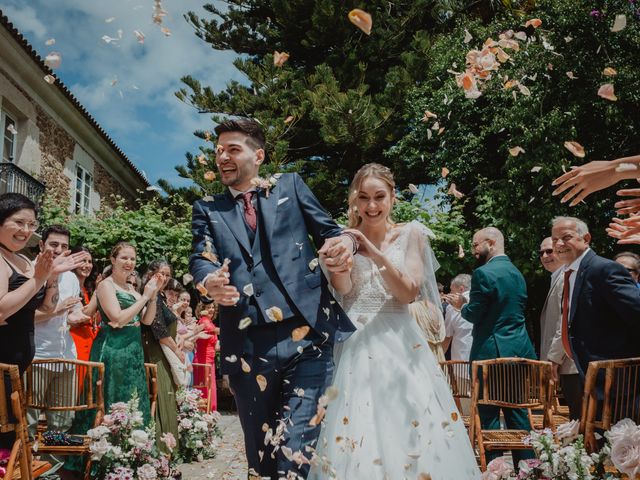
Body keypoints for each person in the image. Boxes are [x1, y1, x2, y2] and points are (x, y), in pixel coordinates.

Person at [189, 118, 357, 479]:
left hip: (309, 338)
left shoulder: (291, 186)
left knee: (295, 451)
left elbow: (332, 232)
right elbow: (200, 259)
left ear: (259, 155)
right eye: (219, 151)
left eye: (233, 149)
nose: (222, 157)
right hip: (248, 345)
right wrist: (209, 283)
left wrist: (344, 244)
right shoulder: (207, 208)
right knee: (262, 459)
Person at [310, 164, 480, 479]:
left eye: (379, 197)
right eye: (364, 197)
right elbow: (344, 291)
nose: (371, 206)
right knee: (359, 429)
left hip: (402, 343)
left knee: (410, 424)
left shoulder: (411, 233)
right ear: (354, 200)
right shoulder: (341, 237)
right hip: (356, 345)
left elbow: (407, 293)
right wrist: (340, 263)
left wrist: (373, 252)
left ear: (393, 198)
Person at [64, 242, 161, 475]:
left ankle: (133, 456)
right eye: (124, 258)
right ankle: (102, 459)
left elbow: (146, 321)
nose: (129, 262)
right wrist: (144, 297)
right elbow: (117, 319)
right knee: (108, 400)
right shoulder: (106, 286)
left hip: (133, 352)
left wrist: (153, 297)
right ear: (113, 260)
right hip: (113, 351)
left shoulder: (131, 288)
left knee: (132, 400)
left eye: (133, 259)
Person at [0, 193, 86, 451]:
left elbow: (46, 306)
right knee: (10, 434)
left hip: (21, 361)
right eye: (19, 222)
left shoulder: (25, 261)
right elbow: (2, 310)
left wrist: (51, 279)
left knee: (20, 435)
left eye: (31, 224)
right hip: (3, 363)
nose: (26, 230)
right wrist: (39, 278)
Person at [446, 227, 536, 467]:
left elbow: (475, 314)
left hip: (491, 351)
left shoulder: (483, 273)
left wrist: (459, 307)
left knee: (488, 412)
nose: (474, 250)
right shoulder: (517, 273)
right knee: (517, 410)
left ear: (491, 242)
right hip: (518, 349)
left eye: (476, 245)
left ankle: (497, 469)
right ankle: (527, 468)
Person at [548, 217, 640, 385]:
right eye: (554, 240)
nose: (559, 244)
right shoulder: (570, 273)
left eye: (566, 237)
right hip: (587, 372)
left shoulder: (604, 269)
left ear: (586, 238)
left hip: (616, 379)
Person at [140, 260, 182, 453]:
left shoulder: (160, 297)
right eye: (161, 273)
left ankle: (169, 448)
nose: (164, 278)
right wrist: (177, 351)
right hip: (156, 353)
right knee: (162, 394)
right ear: (150, 274)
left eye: (167, 274)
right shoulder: (152, 297)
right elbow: (159, 330)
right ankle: (161, 449)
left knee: (168, 394)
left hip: (163, 352)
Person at [538, 236, 581, 419]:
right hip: (563, 363)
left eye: (550, 250)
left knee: (579, 418)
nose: (545, 255)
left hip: (569, 362)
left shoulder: (566, 277)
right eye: (541, 252)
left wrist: (552, 358)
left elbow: (564, 323)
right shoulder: (557, 278)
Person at [69, 246, 100, 366]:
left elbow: (93, 319)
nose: (87, 265)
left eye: (90, 262)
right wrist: (99, 291)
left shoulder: (88, 290)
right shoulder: (69, 286)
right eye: (83, 261)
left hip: (91, 341)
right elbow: (83, 316)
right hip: (75, 342)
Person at [192, 303, 219, 411]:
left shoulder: (210, 323)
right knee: (206, 388)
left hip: (210, 360)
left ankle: (210, 413)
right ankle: (205, 413)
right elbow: (214, 331)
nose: (211, 309)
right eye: (208, 308)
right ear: (203, 310)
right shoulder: (204, 321)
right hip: (203, 360)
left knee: (210, 387)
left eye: (213, 307)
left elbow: (215, 346)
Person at [442, 273, 473, 362]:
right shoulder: (481, 300)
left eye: (452, 290)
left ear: (461, 289)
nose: (450, 293)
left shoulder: (451, 306)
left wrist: (439, 357)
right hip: (483, 357)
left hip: (462, 357)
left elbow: (448, 336)